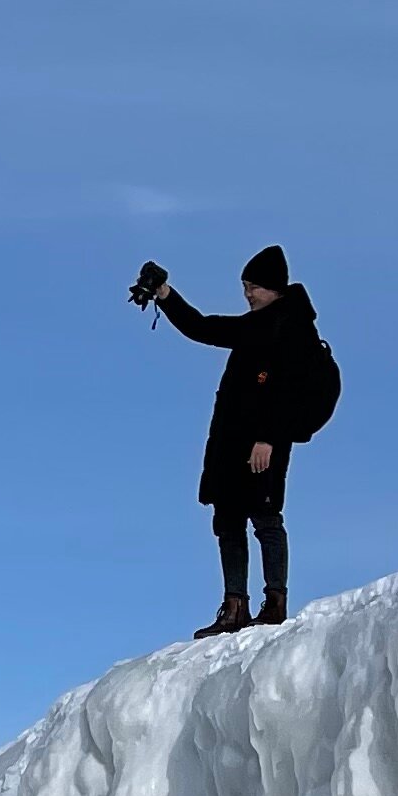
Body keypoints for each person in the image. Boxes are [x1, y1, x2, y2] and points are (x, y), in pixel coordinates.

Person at [137, 243, 337, 638]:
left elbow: (290, 390)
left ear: (275, 288)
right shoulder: (254, 325)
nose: (247, 294)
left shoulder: (293, 327)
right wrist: (164, 293)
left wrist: (268, 439)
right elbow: (202, 327)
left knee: (265, 517)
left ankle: (274, 605)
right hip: (231, 440)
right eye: (244, 286)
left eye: (254, 287)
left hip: (263, 442)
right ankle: (234, 607)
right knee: (227, 519)